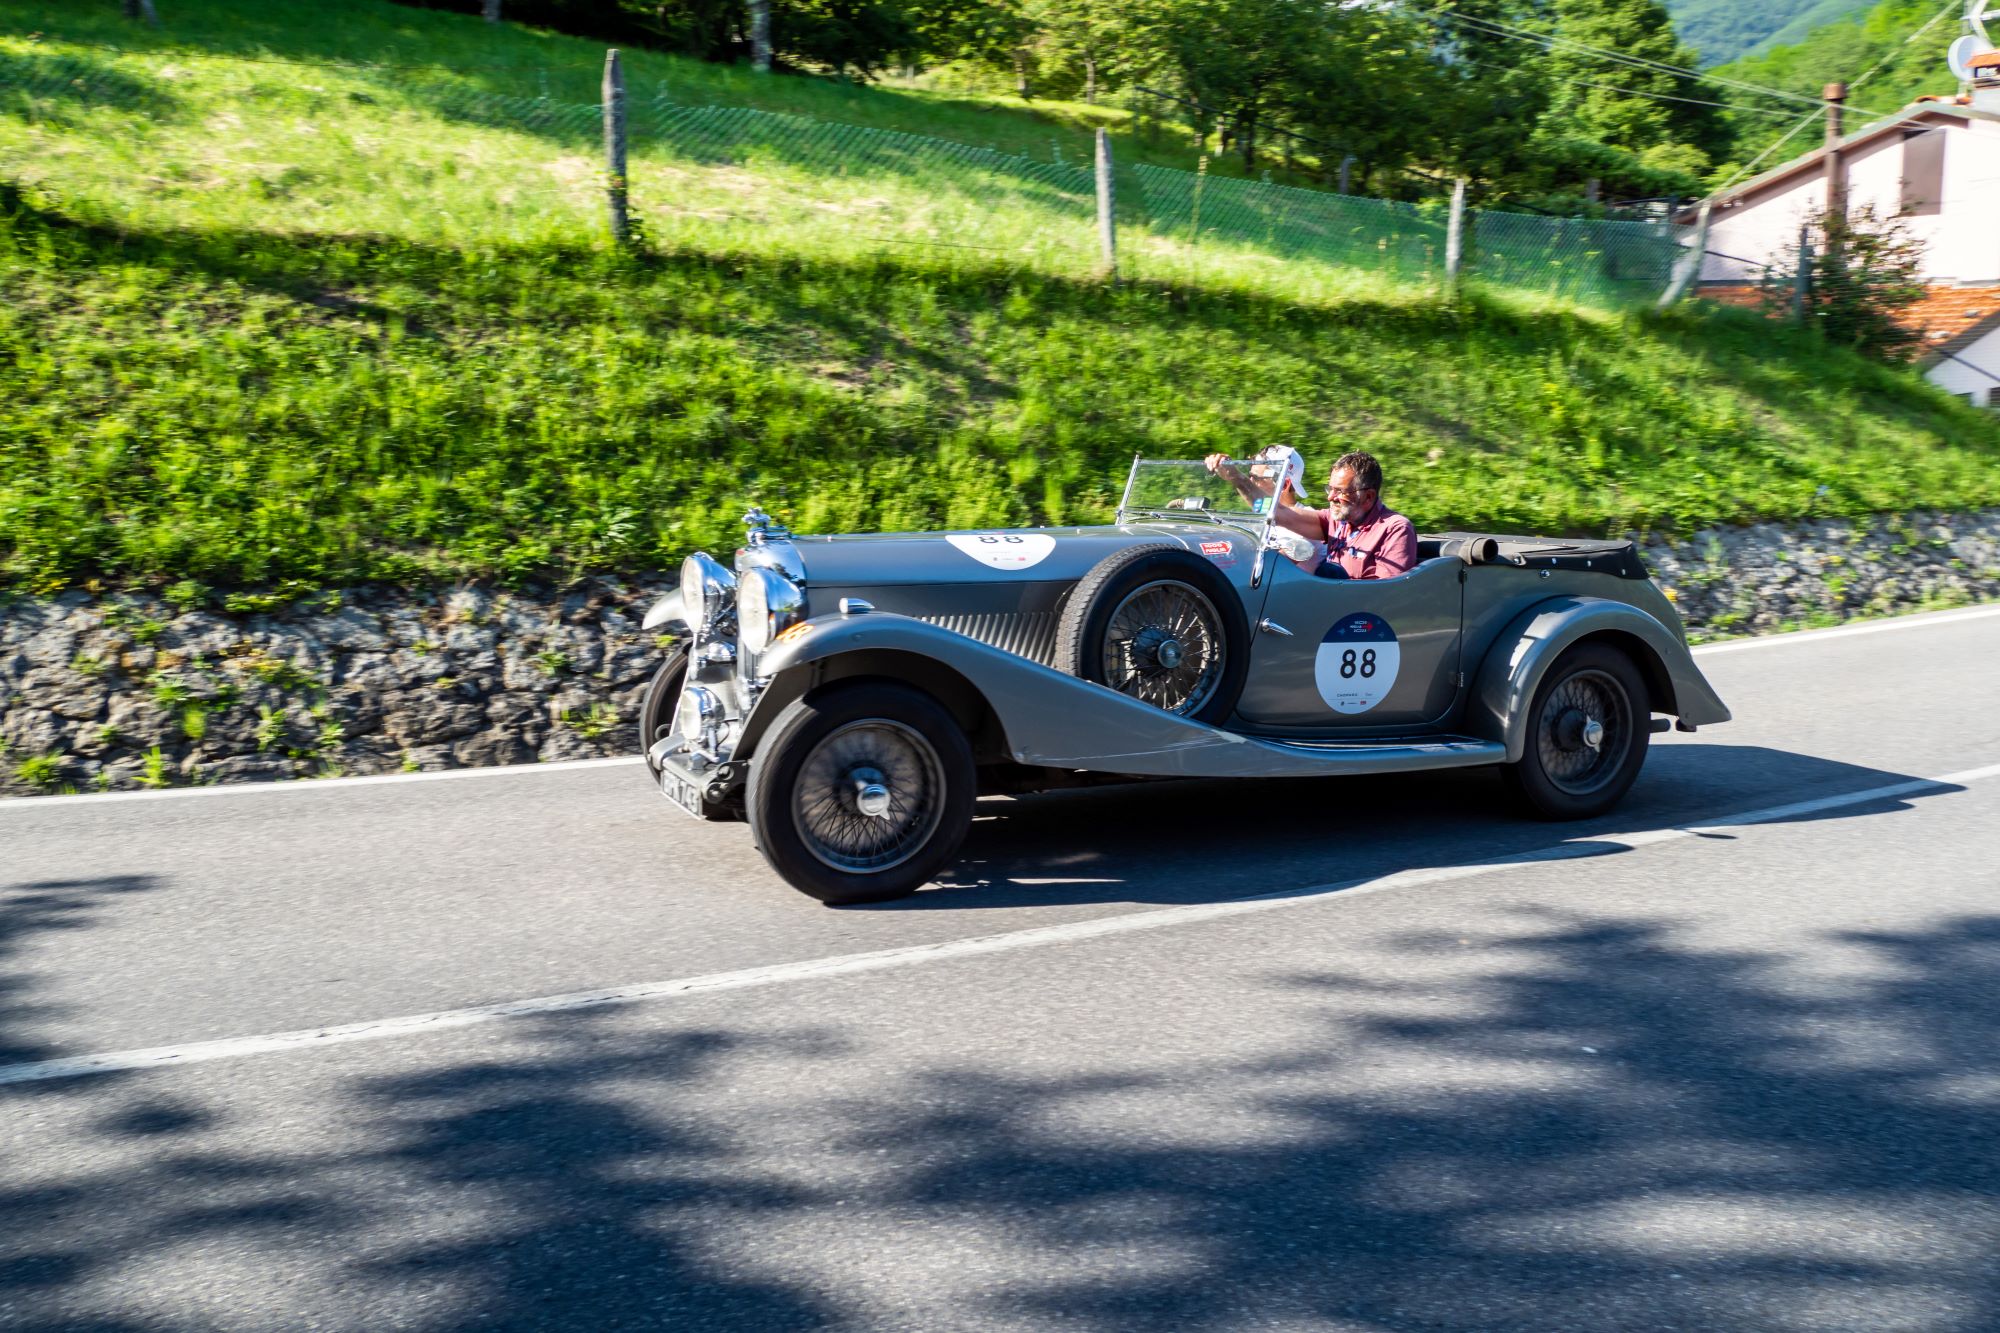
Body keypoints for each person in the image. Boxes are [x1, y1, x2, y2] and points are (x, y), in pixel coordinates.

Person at [1204, 448, 1418, 580]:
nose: (1330, 498)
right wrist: (1236, 478)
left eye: (1340, 492)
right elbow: (1277, 513)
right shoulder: (1335, 521)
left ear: (1369, 497)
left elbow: (1388, 594)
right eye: (1330, 489)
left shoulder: (1394, 528)